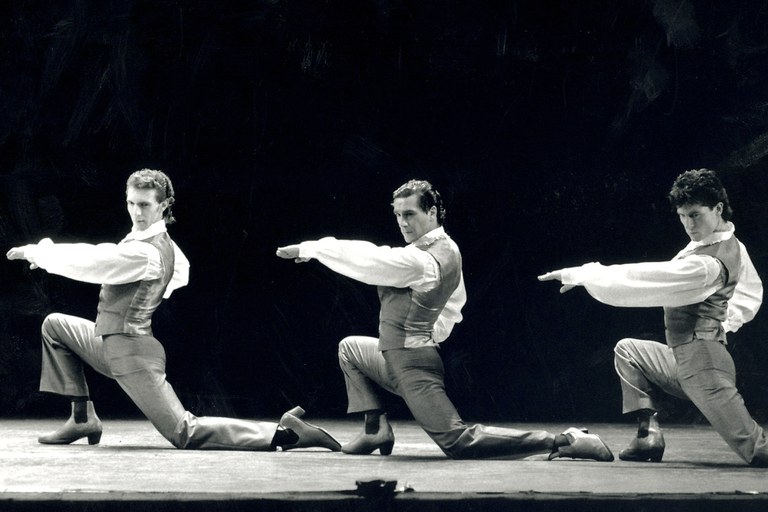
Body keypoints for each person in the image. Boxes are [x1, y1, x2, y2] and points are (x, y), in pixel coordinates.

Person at [276, 179, 613, 461]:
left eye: (410, 214)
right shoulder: (444, 249)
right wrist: (427, 331)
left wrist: (313, 249)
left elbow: (373, 259)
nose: (402, 222)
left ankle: (564, 441)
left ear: (432, 212)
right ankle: (375, 430)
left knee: (458, 441)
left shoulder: (423, 260)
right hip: (399, 356)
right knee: (350, 348)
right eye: (398, 215)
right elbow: (454, 304)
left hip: (412, 366)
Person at [6, 168, 340, 452]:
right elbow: (181, 272)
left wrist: (39, 253)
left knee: (184, 432)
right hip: (109, 343)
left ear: (164, 205)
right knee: (55, 325)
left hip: (132, 355)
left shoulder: (146, 252)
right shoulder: (158, 245)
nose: (137, 212)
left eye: (145, 205)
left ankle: (284, 433)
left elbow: (94, 261)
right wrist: (149, 292)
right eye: (131, 203)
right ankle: (82, 419)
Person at [539, 168, 768, 466]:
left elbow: (649, 277)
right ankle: (649, 436)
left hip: (705, 369)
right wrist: (719, 321)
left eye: (695, 215)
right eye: (683, 216)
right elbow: (749, 291)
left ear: (718, 208)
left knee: (758, 450)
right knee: (628, 351)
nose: (689, 224)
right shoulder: (715, 244)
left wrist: (586, 274)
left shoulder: (709, 263)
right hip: (683, 360)